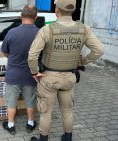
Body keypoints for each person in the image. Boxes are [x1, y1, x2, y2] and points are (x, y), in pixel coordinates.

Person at [28, 0, 104, 141]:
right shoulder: (84, 29)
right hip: (69, 78)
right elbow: (99, 49)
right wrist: (83, 62)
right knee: (67, 110)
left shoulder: (47, 30)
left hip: (48, 78)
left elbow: (32, 55)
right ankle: (68, 138)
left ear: (57, 10)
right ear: (73, 10)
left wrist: (34, 72)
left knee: (46, 113)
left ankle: (43, 139)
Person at [1, 5, 39, 135]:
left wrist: (12, 58)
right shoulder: (40, 33)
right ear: (36, 17)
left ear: (21, 16)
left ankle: (10, 125)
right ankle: (30, 123)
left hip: (13, 75)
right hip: (31, 75)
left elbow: (5, 52)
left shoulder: (11, 32)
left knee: (11, 101)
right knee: (31, 100)